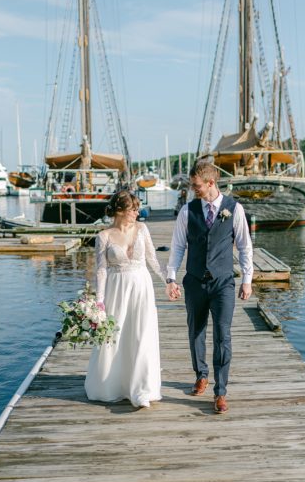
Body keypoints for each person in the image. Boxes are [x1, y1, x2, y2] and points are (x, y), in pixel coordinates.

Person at [165, 159, 253, 414]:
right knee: (196, 331)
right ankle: (201, 374)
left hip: (223, 282)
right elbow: (178, 246)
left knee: (223, 336)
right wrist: (171, 277)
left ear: (211, 182)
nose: (194, 190)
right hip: (194, 282)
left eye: (197, 186)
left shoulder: (233, 209)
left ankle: (220, 391)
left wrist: (247, 279)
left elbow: (245, 246)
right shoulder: (187, 211)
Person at [84, 190, 164, 409]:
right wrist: (99, 302)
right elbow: (101, 271)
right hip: (116, 289)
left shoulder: (142, 229)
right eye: (133, 209)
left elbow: (152, 259)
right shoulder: (104, 236)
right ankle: (114, 385)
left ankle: (141, 389)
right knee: (117, 335)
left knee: (141, 333)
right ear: (120, 210)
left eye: (137, 209)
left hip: (141, 286)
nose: (137, 213)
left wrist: (168, 280)